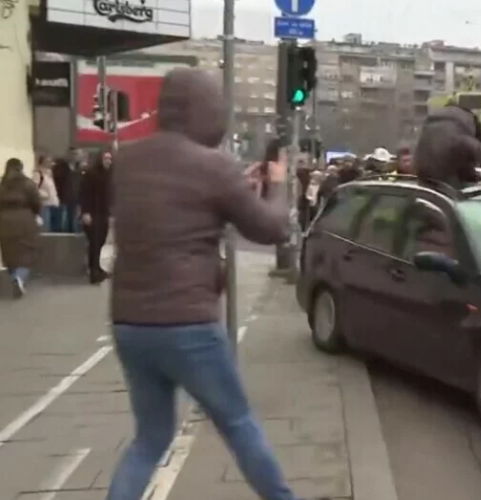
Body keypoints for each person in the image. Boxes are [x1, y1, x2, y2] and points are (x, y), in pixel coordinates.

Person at [107, 68, 298, 500]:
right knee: (237, 422)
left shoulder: (128, 160)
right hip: (187, 324)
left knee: (149, 439)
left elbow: (176, 206)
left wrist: (235, 184)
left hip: (130, 323)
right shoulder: (214, 166)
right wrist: (279, 187)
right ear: (203, 110)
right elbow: (269, 228)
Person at [0, 158, 41, 298]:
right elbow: (36, 202)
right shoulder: (28, 184)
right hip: (25, 220)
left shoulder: (2, 184)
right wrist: (35, 214)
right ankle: (19, 278)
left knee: (9, 253)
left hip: (4, 221)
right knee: (28, 252)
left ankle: (14, 278)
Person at [79, 150, 113, 285]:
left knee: (100, 242)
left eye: (110, 159)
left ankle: (97, 267)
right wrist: (85, 212)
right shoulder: (91, 174)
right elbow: (84, 194)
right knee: (94, 242)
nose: (108, 161)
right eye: (106, 158)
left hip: (103, 213)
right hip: (92, 213)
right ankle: (93, 272)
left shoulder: (108, 175)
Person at [53, 148, 83, 233]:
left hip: (75, 199)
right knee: (62, 221)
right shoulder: (60, 167)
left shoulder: (79, 169)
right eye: (73, 154)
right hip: (63, 199)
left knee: (73, 221)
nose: (74, 157)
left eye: (76, 154)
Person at [33, 154, 59, 232]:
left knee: (53, 227)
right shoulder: (38, 173)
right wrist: (44, 194)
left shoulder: (50, 173)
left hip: (52, 203)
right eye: (48, 161)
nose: (50, 163)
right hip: (44, 203)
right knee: (45, 226)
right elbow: (35, 187)